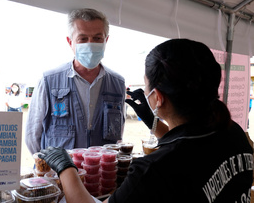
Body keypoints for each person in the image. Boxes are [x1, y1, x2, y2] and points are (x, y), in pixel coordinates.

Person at [38, 39, 253, 203]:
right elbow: (186, 145)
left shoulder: (152, 170)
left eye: (146, 84)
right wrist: (151, 120)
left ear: (158, 97)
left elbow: (180, 156)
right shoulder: (232, 132)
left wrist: (66, 168)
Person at [25, 8, 126, 154]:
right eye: (83, 39)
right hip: (58, 174)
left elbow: (118, 133)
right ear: (70, 42)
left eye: (97, 38)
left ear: (106, 40)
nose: (90, 44)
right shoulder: (48, 81)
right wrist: (49, 169)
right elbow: (32, 135)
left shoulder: (117, 83)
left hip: (100, 173)